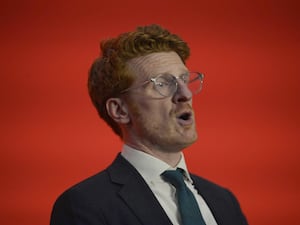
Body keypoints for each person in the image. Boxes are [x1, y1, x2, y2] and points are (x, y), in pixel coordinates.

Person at [50, 24, 248, 225]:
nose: (186, 95)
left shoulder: (225, 202)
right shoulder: (84, 206)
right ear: (120, 111)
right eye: (162, 83)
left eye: (185, 80)